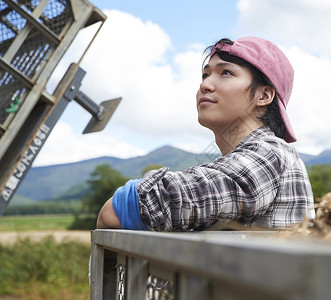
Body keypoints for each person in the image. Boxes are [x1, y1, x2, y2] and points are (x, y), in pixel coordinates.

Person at [96, 36, 315, 231]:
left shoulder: (269, 154)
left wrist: (127, 200)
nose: (205, 85)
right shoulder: (250, 157)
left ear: (264, 95)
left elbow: (123, 210)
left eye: (226, 73)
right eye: (205, 75)